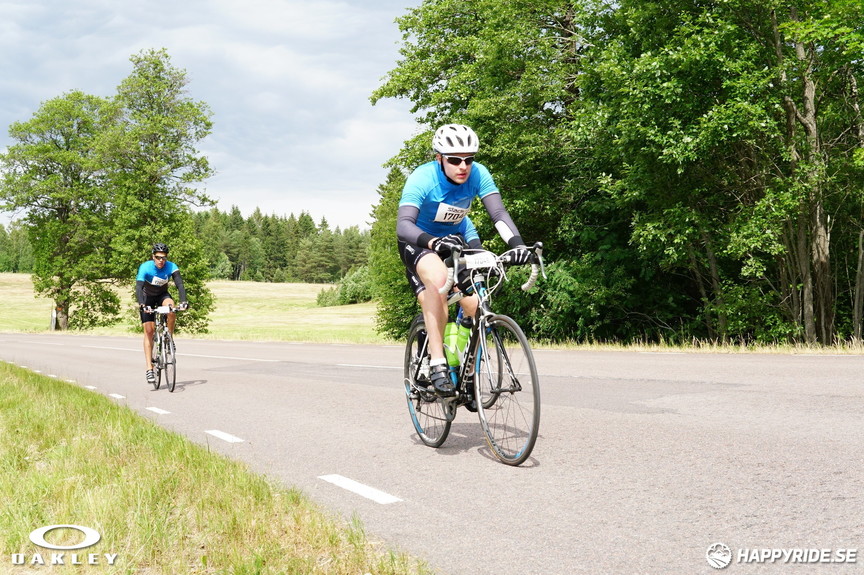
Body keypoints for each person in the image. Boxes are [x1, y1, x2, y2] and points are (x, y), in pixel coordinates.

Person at [397, 123, 533, 396]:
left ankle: (467, 372)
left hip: (454, 244)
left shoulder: (479, 174)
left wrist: (518, 246)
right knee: (437, 282)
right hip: (420, 242)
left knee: (475, 305)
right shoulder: (422, 178)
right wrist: (433, 242)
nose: (463, 166)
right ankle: (437, 363)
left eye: (469, 159)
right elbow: (403, 225)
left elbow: (499, 214)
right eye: (455, 160)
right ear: (439, 158)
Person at [136, 243, 188, 385]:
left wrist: (183, 301)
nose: (161, 261)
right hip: (147, 297)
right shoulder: (145, 267)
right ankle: (149, 369)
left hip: (162, 295)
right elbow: (139, 287)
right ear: (153, 257)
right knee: (149, 331)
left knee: (171, 309)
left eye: (164, 258)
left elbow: (179, 284)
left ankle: (169, 337)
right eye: (158, 258)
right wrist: (142, 304)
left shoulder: (171, 266)